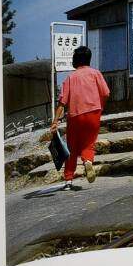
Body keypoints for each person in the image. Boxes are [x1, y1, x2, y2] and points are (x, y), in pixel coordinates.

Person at [50, 45, 110, 190]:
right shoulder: (96, 74)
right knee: (89, 143)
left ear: (74, 60)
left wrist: (55, 121)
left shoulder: (70, 78)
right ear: (89, 59)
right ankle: (88, 161)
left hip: (75, 115)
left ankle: (68, 180)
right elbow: (106, 93)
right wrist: (100, 107)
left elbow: (62, 103)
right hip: (94, 112)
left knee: (72, 147)